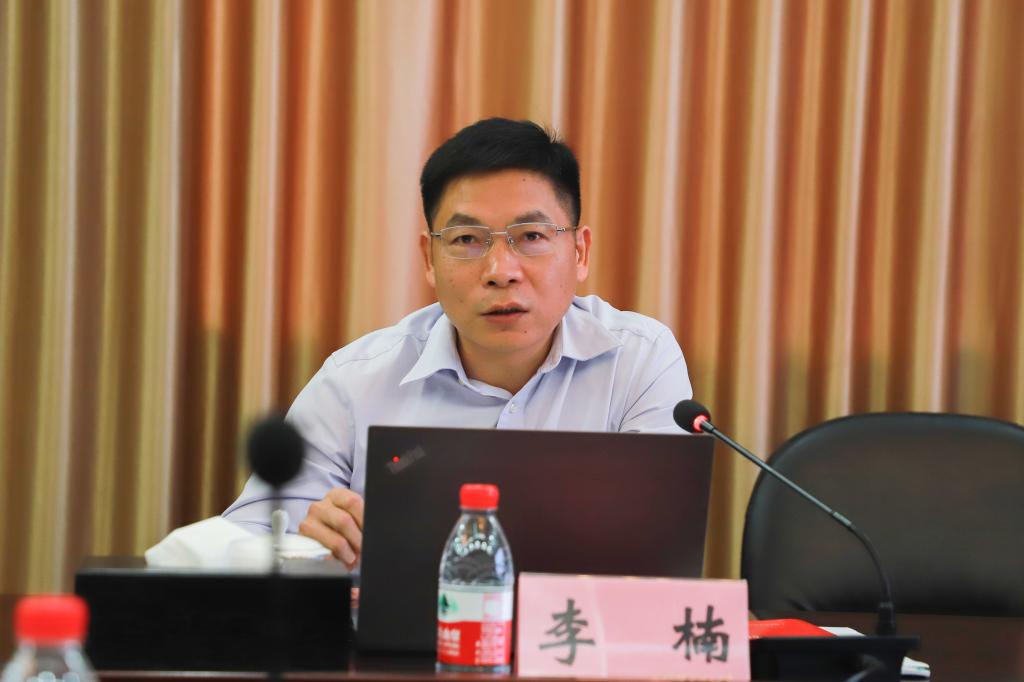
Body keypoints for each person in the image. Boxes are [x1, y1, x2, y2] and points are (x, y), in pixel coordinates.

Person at [223, 118, 692, 568]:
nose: (500, 271)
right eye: (467, 239)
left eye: (531, 236)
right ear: (429, 258)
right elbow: (241, 542)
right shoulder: (354, 383)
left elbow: (659, 549)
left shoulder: (638, 362)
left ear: (580, 251)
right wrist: (307, 545)